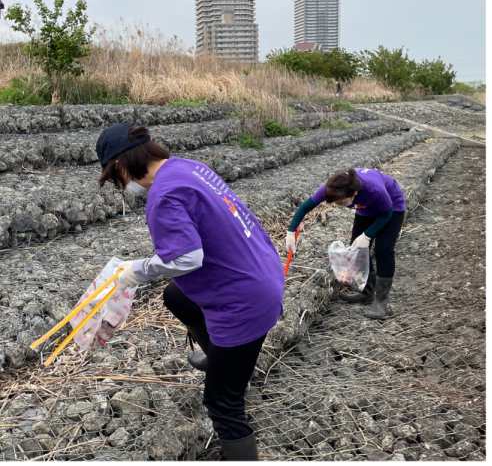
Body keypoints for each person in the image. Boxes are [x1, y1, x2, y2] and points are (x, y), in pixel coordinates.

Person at [96, 123, 283, 460]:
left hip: (245, 301)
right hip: (262, 271)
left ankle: (229, 385)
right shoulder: (187, 168)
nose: (122, 185)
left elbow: (187, 257)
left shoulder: (163, 195)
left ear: (122, 166)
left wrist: (135, 271)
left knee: (222, 402)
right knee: (177, 296)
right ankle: (220, 359)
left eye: (116, 178)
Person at [287, 168, 405, 320]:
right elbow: (305, 207)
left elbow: (386, 213)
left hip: (391, 207)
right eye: (334, 201)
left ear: (354, 193)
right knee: (358, 248)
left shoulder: (373, 189)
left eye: (341, 201)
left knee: (383, 249)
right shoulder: (332, 188)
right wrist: (291, 231)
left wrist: (367, 235)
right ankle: (367, 292)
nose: (337, 204)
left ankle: (381, 301)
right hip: (366, 210)